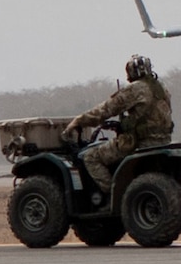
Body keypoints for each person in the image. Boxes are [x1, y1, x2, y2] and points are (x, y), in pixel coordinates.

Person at [66, 54, 174, 196]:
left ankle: (114, 197)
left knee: (91, 157)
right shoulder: (161, 88)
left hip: (139, 143)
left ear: (130, 72)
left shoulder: (135, 89)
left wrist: (79, 121)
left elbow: (105, 110)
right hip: (164, 141)